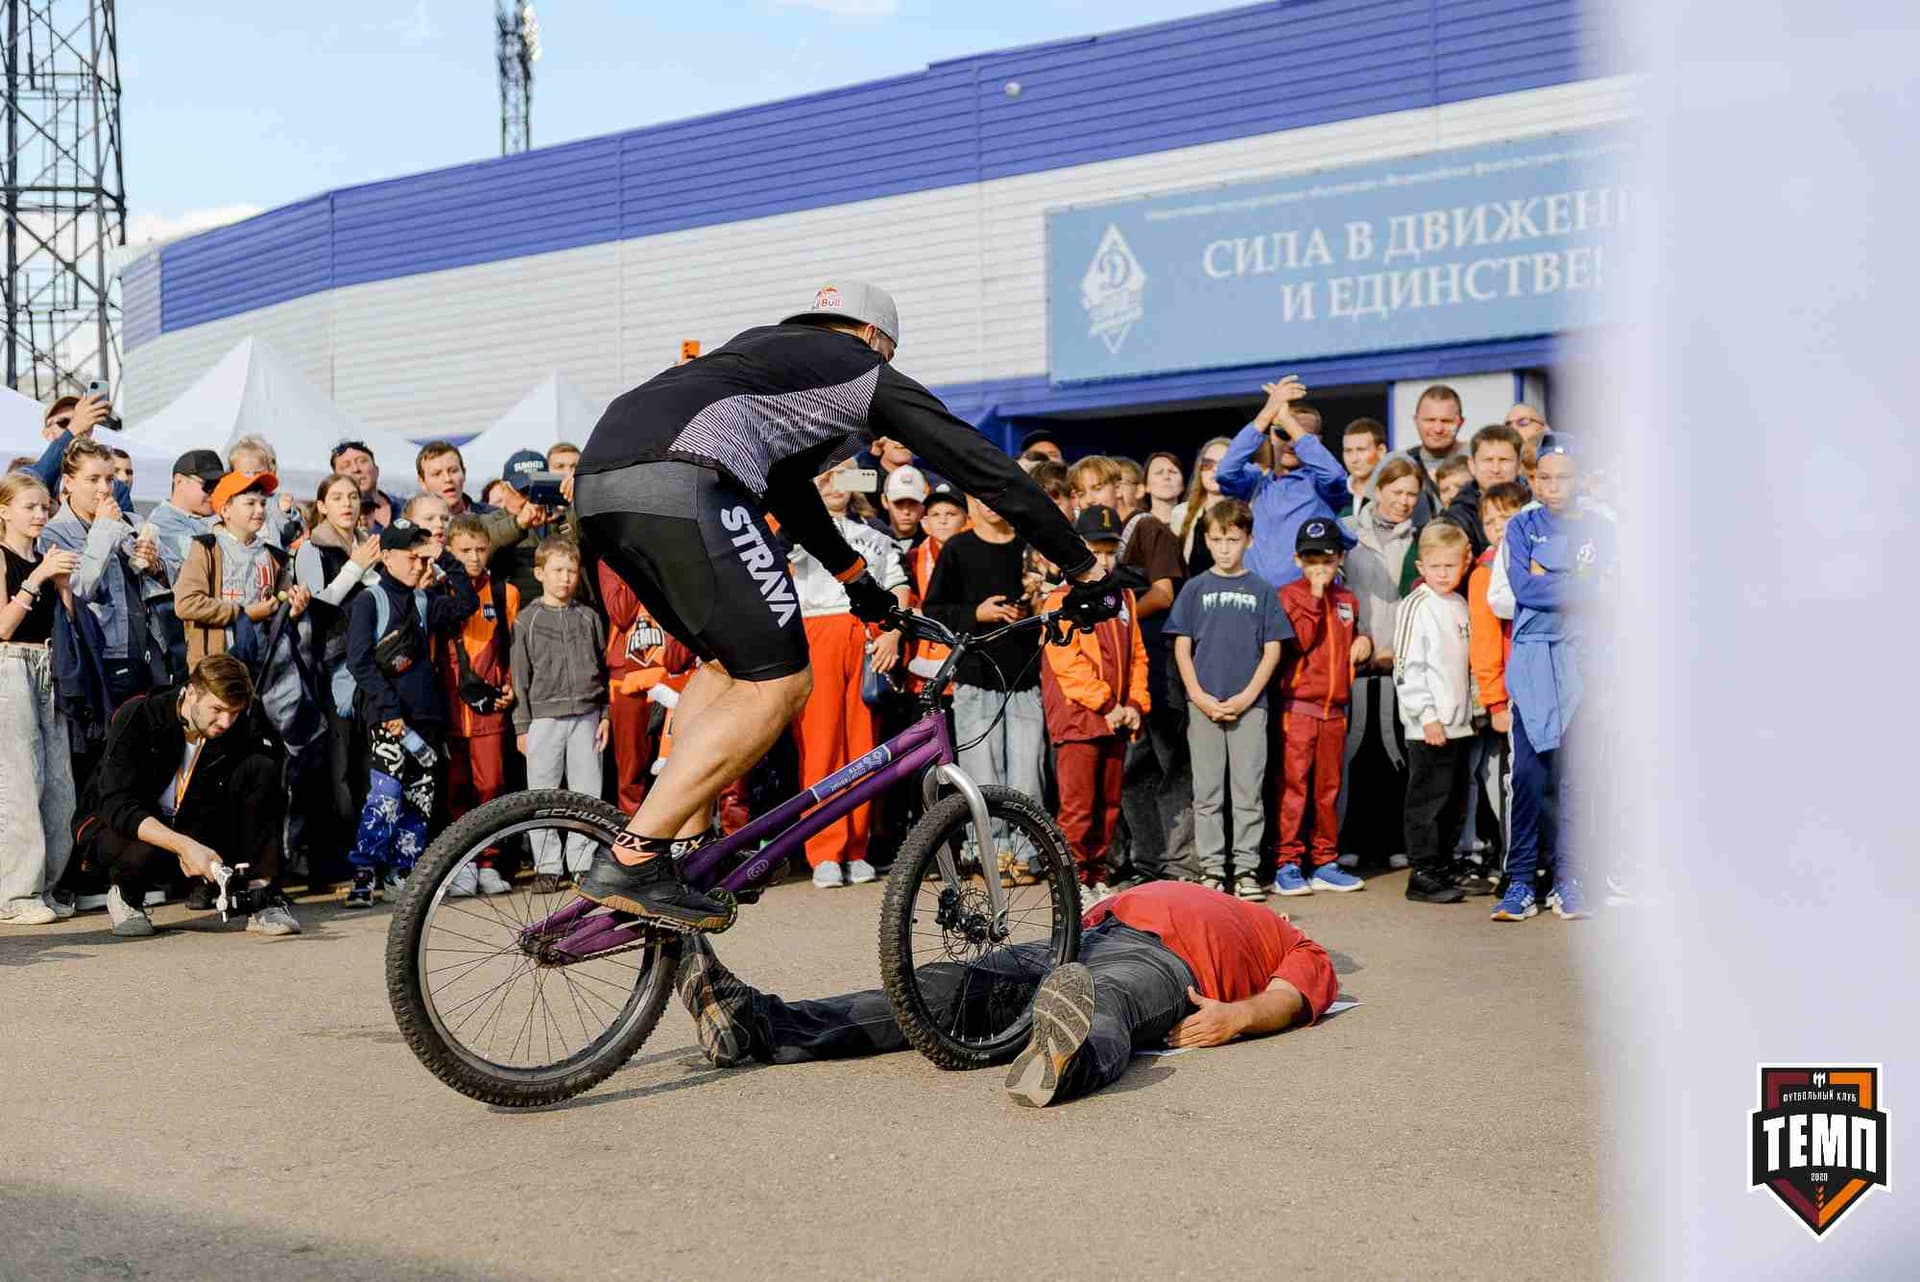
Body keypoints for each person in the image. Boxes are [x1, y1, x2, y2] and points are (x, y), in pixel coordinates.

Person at [569, 282, 1114, 932]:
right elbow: (984, 467)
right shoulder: (862, 369)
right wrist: (1081, 566)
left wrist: (859, 582)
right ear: (875, 340)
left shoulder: (771, 357)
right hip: (683, 479)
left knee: (727, 666)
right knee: (780, 682)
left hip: (599, 488)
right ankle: (636, 855)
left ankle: (683, 852)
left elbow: (788, 489)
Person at [673, 879, 1337, 1108]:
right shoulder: (1185, 891)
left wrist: (1238, 1017)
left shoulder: (1285, 933)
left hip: (1164, 962)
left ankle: (1063, 1062)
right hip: (1083, 936)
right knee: (944, 987)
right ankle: (757, 1023)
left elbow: (1294, 990)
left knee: (1101, 999)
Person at [73, 653, 300, 938]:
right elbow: (117, 805)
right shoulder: (140, 715)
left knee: (261, 768)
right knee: (133, 841)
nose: (226, 721)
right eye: (217, 709)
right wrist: (184, 846)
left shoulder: (239, 724)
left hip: (192, 823)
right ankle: (126, 896)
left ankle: (260, 897)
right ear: (191, 693)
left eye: (234, 712)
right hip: (125, 828)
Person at [1486, 436, 1601, 922]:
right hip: (1532, 659)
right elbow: (1522, 589)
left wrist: (1546, 577)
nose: (1553, 487)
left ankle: (1568, 879)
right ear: (1532, 479)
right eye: (1544, 477)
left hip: (1581, 658)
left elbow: (1602, 589)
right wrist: (1570, 581)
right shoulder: (1521, 525)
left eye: (1564, 477)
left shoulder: (1598, 527)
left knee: (1575, 776)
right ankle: (1520, 881)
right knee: (1528, 777)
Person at [342, 518, 479, 907]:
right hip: (387, 718)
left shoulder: (424, 600)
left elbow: (466, 603)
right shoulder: (369, 600)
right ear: (386, 557)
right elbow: (359, 661)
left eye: (423, 558)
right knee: (385, 797)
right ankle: (364, 874)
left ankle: (401, 872)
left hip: (427, 718)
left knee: (419, 800)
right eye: (411, 556)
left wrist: (444, 557)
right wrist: (389, 710)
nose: (419, 564)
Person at [1070, 454, 1192, 884]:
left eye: (1100, 487)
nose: (1092, 497)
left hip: (1158, 666)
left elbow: (1164, 594)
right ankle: (1140, 864)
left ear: (1122, 487)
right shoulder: (1088, 539)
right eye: (1082, 491)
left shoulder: (1147, 528)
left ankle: (1179, 865)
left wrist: (1115, 617)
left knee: (1170, 769)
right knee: (1131, 775)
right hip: (1116, 679)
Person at [786, 463, 909, 888]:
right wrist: (811, 487)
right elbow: (779, 556)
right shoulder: (797, 530)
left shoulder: (875, 533)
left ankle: (856, 846)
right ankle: (824, 849)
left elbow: (898, 584)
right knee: (820, 745)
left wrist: (893, 633)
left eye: (846, 474)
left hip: (865, 637)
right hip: (815, 632)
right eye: (829, 474)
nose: (837, 482)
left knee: (863, 747)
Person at [1166, 498, 1289, 899]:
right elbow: (1182, 647)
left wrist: (1248, 696)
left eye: (1233, 540)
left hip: (1249, 707)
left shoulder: (1262, 590)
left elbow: (1273, 649)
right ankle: (1213, 869)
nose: (1224, 548)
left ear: (1248, 540)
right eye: (1217, 540)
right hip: (1203, 706)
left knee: (1248, 791)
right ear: (1206, 539)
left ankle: (1247, 869)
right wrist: (1198, 695)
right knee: (1207, 793)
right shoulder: (1194, 589)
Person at [1038, 506, 1147, 893]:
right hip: (1079, 719)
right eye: (1094, 551)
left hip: (1117, 718)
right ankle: (1071, 885)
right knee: (1078, 808)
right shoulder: (1059, 600)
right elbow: (1067, 665)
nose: (1102, 560)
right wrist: (1108, 704)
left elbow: (1138, 655)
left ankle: (1096, 877)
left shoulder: (1124, 597)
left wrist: (1135, 704)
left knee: (1107, 806)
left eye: (1109, 551)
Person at [1271, 517, 1371, 896]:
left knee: (1328, 790)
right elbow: (1299, 642)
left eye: (1327, 560)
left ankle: (1325, 861)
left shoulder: (1347, 599)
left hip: (1334, 710)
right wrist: (1314, 596)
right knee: (1293, 787)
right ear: (1298, 560)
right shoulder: (1289, 596)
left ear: (1340, 558)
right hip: (1298, 708)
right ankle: (1287, 862)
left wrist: (1364, 642)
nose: (1320, 568)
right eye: (1312, 560)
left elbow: (1348, 638)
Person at [294, 473, 382, 892]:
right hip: (331, 668)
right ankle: (331, 865)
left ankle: (368, 860)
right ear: (322, 505)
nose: (347, 504)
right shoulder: (311, 547)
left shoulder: (369, 543)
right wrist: (356, 566)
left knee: (368, 768)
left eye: (353, 496)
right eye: (337, 497)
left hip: (372, 665)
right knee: (337, 769)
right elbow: (319, 603)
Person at [0, 472, 81, 925]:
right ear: (4, 511)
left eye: (45, 506)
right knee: (20, 783)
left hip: (50, 667)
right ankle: (15, 893)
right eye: (29, 506)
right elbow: (3, 627)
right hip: (11, 666)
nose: (40, 514)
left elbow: (68, 621)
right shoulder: (4, 557)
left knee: (59, 787)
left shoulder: (47, 557)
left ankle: (44, 887)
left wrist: (63, 585)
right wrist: (37, 578)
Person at [510, 538, 608, 891]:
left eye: (571, 571)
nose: (565, 578)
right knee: (542, 794)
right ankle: (547, 865)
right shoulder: (527, 620)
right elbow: (520, 677)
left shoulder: (589, 617)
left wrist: (606, 714)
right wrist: (522, 726)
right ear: (539, 573)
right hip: (544, 719)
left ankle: (582, 863)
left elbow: (604, 668)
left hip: (587, 714)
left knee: (587, 794)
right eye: (557, 570)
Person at [1339, 456, 1422, 869]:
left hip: (1397, 665)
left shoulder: (1420, 539)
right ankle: (1351, 840)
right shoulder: (1348, 532)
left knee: (1394, 755)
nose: (1404, 501)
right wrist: (1355, 640)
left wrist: (1397, 651)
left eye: (1412, 494)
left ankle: (1394, 842)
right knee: (1356, 754)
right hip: (1355, 664)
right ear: (1378, 489)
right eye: (1396, 491)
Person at [40, 436, 166, 704]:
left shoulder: (131, 521)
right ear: (68, 482)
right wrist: (104, 528)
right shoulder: (55, 532)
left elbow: (173, 580)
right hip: (95, 656)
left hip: (143, 653)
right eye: (93, 479)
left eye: (109, 479)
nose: (104, 489)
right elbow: (79, 588)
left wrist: (155, 566)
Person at [1392, 522, 1475, 904]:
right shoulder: (1417, 605)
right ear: (1421, 567)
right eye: (1435, 566)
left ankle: (1444, 864)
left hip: (1459, 723)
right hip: (1429, 725)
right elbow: (1407, 667)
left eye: (1450, 566)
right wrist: (1426, 714)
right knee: (1427, 801)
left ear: (1464, 564)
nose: (1443, 574)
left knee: (1454, 800)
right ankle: (1422, 872)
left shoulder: (1459, 604)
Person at [440, 514, 519, 896]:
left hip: (490, 710)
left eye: (480, 549)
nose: (473, 557)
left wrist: (512, 685)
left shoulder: (505, 593)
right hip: (451, 707)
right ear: (449, 551)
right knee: (456, 789)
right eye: (465, 550)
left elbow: (514, 649)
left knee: (492, 787)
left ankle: (489, 862)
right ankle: (463, 865)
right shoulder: (439, 590)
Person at [1459, 480, 1530, 896]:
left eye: (1508, 517)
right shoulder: (1485, 573)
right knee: (1509, 783)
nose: (1499, 527)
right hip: (1509, 694)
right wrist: (1496, 701)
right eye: (1490, 521)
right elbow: (1485, 646)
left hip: (1541, 690)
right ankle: (1511, 867)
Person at [1215, 376, 1350, 588]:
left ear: (1316, 442)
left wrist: (1287, 420)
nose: (1291, 443)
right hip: (1258, 599)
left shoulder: (1320, 485)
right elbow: (1225, 473)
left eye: (1300, 435)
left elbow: (1334, 476)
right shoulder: (1255, 482)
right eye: (1282, 433)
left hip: (1309, 601)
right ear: (1271, 435)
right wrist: (1267, 412)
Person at [173, 472, 313, 668]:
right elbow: (186, 603)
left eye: (263, 503)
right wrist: (243, 613)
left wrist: (293, 609)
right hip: (214, 669)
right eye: (250, 503)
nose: (259, 510)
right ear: (226, 510)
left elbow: (281, 607)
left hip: (261, 667)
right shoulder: (206, 548)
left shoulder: (274, 556)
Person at [143, 450, 225, 680]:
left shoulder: (211, 522)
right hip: (181, 642)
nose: (214, 493)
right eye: (208, 485)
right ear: (179, 481)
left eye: (219, 486)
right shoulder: (161, 524)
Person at [1442, 424, 1527, 557]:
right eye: (1488, 460)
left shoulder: (1536, 506)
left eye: (1504, 460)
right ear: (1472, 465)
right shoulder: (1458, 517)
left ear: (1520, 465)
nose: (1495, 469)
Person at [1171, 436, 1231, 577]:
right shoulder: (1181, 513)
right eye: (1208, 464)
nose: (1215, 469)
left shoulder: (1248, 512)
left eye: (1224, 464)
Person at [328, 440, 399, 531]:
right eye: (346, 465)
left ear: (376, 470)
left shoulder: (407, 508)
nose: (356, 469)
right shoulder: (331, 521)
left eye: (362, 461)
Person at [874, 464, 929, 554]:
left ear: (923, 504)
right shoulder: (870, 542)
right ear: (884, 501)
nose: (906, 511)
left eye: (913, 503)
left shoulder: (934, 548)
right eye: (898, 503)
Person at [1338, 419, 1387, 517]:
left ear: (1381, 451)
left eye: (1361, 450)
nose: (1354, 459)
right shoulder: (1334, 493)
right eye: (1348, 451)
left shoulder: (1394, 494)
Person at [1143, 452, 1184, 527]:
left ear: (1182, 485)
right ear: (1146, 486)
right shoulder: (1138, 524)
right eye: (1159, 472)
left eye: (1173, 472)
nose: (1166, 477)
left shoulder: (1195, 524)